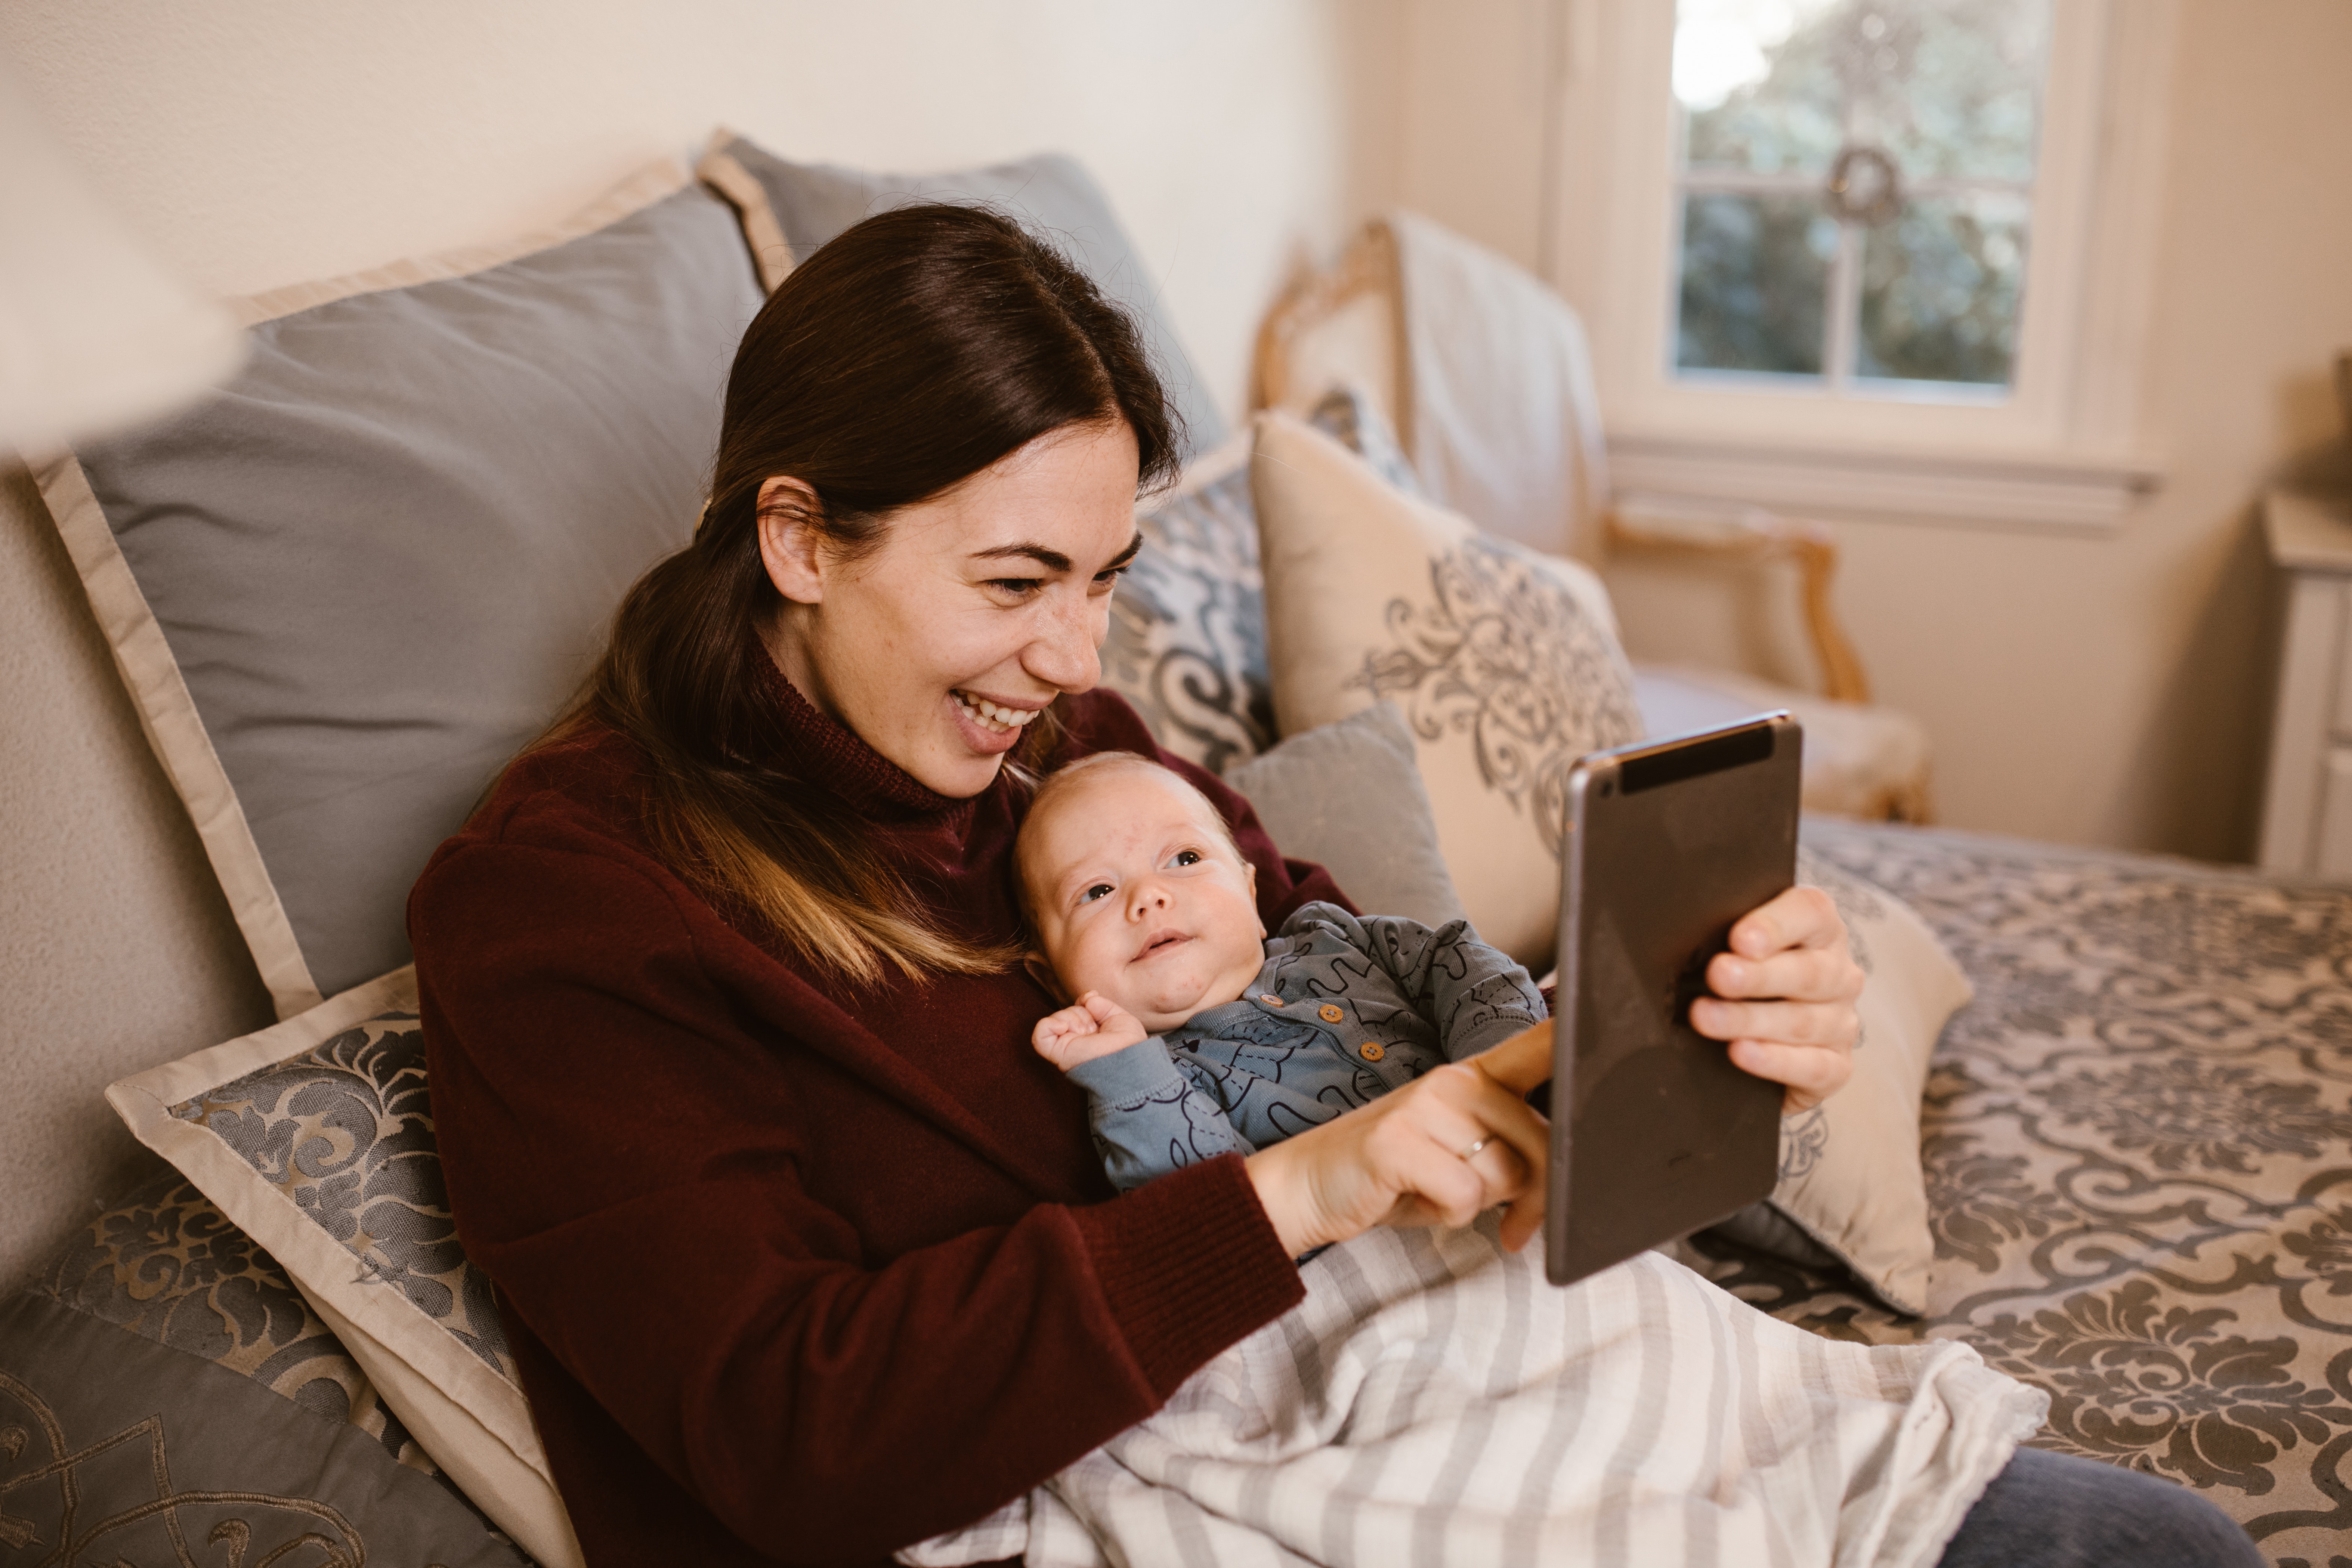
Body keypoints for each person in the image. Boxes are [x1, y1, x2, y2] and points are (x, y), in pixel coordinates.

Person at [409, 204, 2262, 1567]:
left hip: (1491, 1383)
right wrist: (1299, 1181)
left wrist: (1708, 1031)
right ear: (797, 537)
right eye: (1011, 580)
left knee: (2168, 1547)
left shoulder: (1068, 753)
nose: (1071, 655)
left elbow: (1348, 973)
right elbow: (789, 1434)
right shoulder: (573, 909)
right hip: (1221, 1479)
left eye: (1108, 576)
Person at [1019, 750, 1545, 1194]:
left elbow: (1464, 965)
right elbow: (1209, 1210)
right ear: (1052, 980)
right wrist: (1125, 1070)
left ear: (1251, 894)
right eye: (1097, 891)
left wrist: (1496, 1070)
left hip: (1515, 1165)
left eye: (1183, 858)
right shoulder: (1153, 1087)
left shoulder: (1338, 936)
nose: (1148, 896)